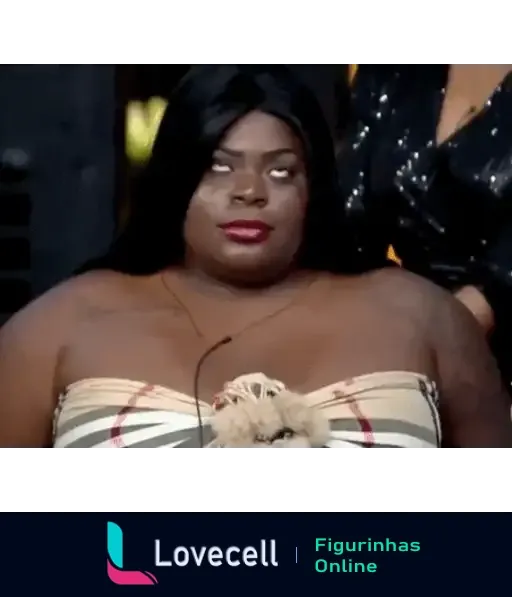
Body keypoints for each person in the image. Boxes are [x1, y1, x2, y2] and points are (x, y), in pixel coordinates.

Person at [0, 64, 510, 448]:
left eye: (281, 171)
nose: (249, 191)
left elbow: (488, 514)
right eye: (219, 167)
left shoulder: (423, 317)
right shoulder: (59, 327)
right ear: (175, 177)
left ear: (314, 187)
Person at [338, 64, 512, 392]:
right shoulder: (393, 74)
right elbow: (349, 225)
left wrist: (415, 344)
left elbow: (501, 283)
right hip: (399, 318)